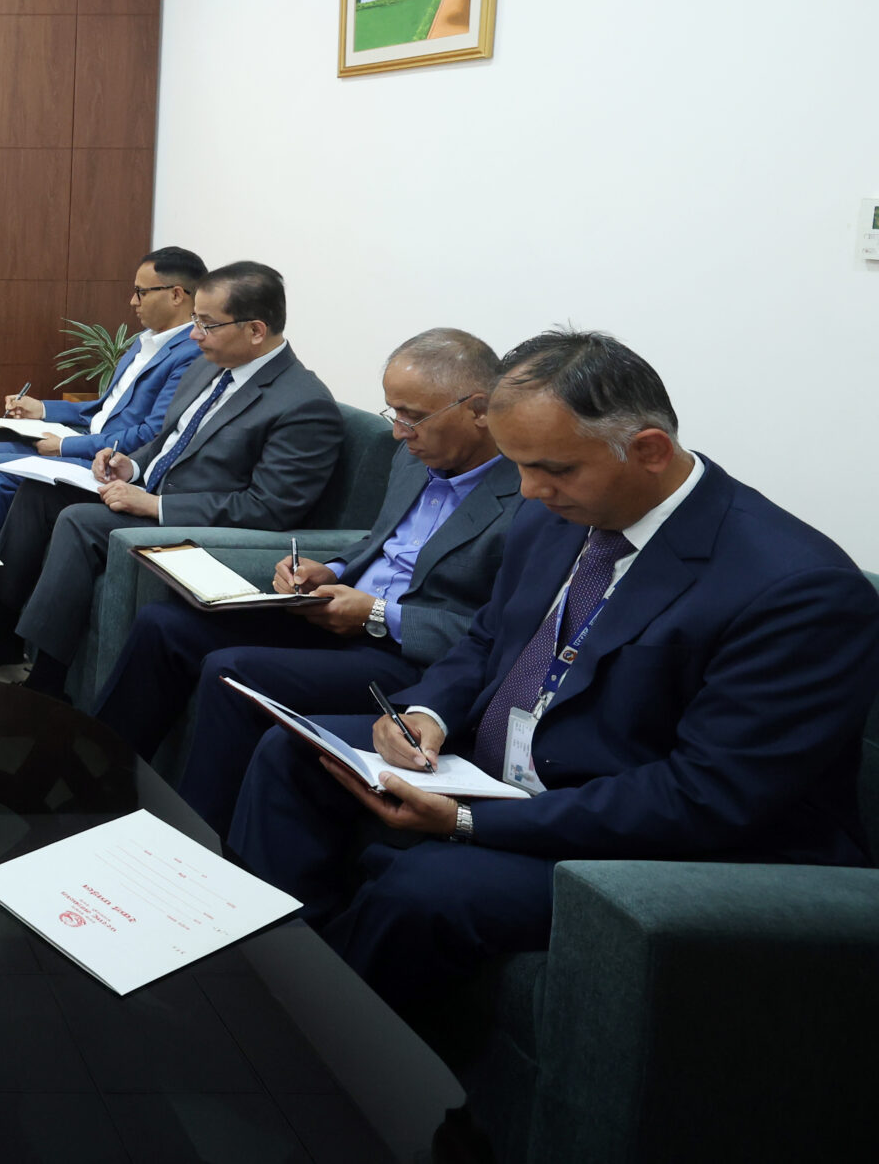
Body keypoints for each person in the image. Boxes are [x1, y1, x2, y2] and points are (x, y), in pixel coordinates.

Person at [228, 330, 879, 1011]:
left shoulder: (796, 589)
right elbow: (489, 636)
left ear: (649, 450)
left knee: (425, 890)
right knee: (295, 750)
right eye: (518, 465)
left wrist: (466, 822)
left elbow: (704, 795)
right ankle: (261, 972)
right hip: (502, 769)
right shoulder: (557, 514)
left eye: (553, 469)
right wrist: (426, 711)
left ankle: (319, 1037)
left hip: (644, 833)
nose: (530, 491)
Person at [92, 327, 522, 836]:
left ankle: (194, 841)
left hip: (408, 658)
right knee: (165, 625)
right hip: (337, 616)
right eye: (393, 413)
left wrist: (378, 614)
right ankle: (97, 780)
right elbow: (379, 540)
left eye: (412, 416)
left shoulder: (529, 497)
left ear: (478, 409)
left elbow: (499, 633)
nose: (397, 432)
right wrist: (331, 569)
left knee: (232, 670)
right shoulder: (416, 456)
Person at [0, 261, 342, 677]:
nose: (194, 334)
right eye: (196, 321)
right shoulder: (209, 365)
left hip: (190, 521)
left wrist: (155, 506)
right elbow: (168, 438)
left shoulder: (302, 404)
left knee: (78, 520)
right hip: (146, 491)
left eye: (208, 325)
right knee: (38, 493)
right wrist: (131, 465)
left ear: (255, 330)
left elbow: (268, 509)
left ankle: (47, 681)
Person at [0, 247, 205, 541]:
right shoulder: (144, 340)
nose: (132, 301)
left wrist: (65, 446)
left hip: (108, 461)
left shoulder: (190, 354)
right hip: (87, 439)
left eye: (141, 292)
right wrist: (42, 409)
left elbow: (151, 435)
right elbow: (106, 408)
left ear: (176, 295)